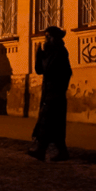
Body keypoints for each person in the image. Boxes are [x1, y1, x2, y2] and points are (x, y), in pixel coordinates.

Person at [28, 25, 72, 161]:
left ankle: (42, 150)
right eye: (46, 37)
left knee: (48, 123)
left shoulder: (60, 52)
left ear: (56, 38)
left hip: (56, 93)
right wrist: (38, 56)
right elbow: (40, 70)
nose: (46, 40)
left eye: (49, 37)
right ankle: (60, 151)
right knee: (53, 124)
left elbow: (58, 71)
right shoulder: (50, 52)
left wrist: (58, 88)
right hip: (49, 92)